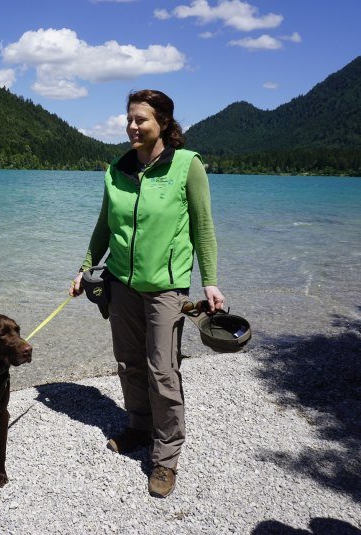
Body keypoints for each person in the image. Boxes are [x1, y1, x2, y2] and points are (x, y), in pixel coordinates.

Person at [69, 89, 225, 498]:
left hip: (165, 289)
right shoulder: (117, 168)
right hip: (121, 284)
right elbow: (104, 225)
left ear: (164, 124)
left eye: (142, 120)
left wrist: (209, 280)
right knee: (128, 362)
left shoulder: (186, 166)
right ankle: (139, 427)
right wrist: (85, 267)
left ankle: (166, 457)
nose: (133, 126)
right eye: (130, 119)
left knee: (163, 371)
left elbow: (203, 227)